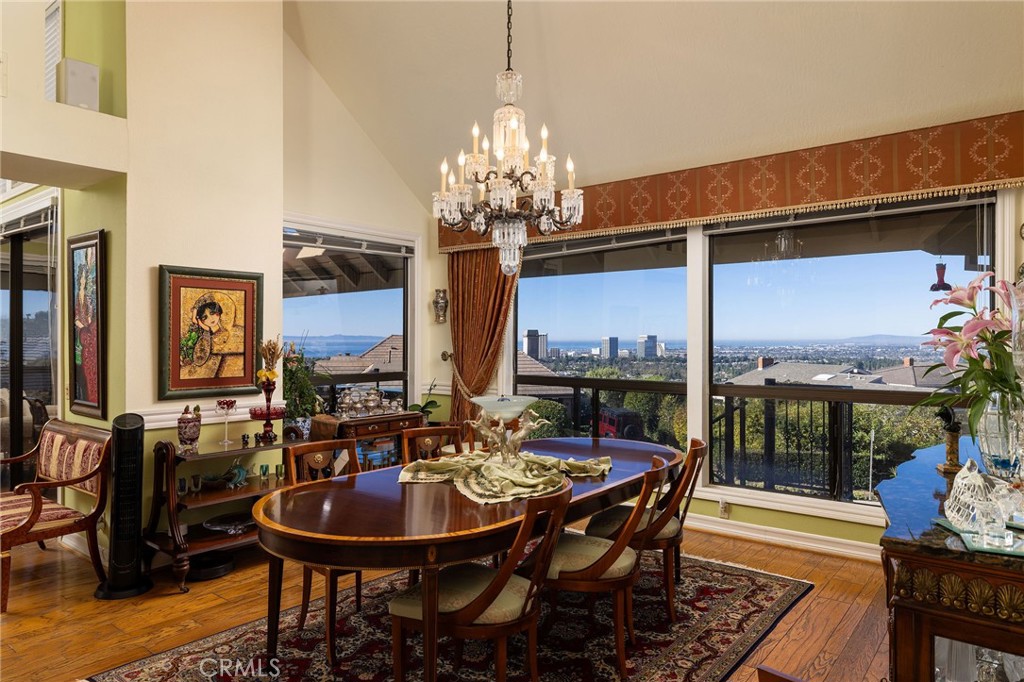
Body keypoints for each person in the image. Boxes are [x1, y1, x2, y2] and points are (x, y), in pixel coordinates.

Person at [179, 295, 223, 366]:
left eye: (212, 313)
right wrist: (196, 311)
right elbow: (194, 320)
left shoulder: (219, 328)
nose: (211, 319)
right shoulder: (207, 329)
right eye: (205, 317)